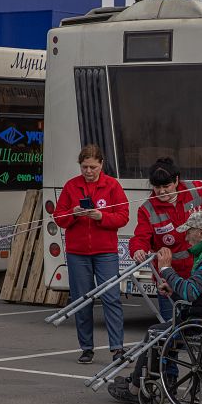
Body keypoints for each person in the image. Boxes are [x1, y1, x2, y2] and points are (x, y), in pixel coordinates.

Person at [107, 210, 202, 404]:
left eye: (188, 232)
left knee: (155, 333)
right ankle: (157, 379)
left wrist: (166, 269)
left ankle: (136, 387)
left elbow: (191, 292)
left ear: (201, 233)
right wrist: (173, 289)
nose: (185, 237)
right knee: (167, 326)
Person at [128, 157, 202, 320]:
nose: (162, 191)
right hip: (170, 277)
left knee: (200, 324)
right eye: (157, 187)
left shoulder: (195, 190)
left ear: (176, 180)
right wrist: (137, 250)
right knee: (171, 326)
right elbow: (140, 236)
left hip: (200, 274)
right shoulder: (147, 209)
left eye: (166, 186)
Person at [54, 145, 129, 364]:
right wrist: (74, 213)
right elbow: (59, 218)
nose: (88, 171)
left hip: (105, 252)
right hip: (78, 253)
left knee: (111, 298)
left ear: (101, 165)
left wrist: (100, 217)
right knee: (82, 300)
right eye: (85, 167)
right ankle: (86, 348)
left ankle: (117, 348)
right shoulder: (71, 186)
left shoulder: (112, 185)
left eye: (93, 167)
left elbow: (123, 216)